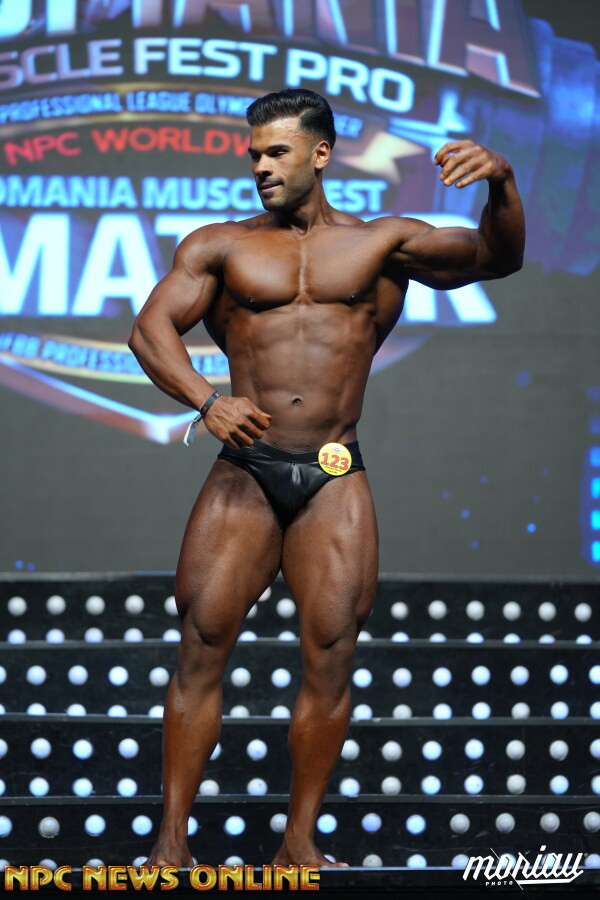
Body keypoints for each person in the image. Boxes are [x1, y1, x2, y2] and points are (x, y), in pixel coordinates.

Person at [128, 88, 525, 868]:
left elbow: (497, 257)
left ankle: (298, 843)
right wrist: (207, 401)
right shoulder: (220, 246)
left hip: (334, 474)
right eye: (253, 154)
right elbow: (149, 330)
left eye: (276, 152)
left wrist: (502, 183)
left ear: (320, 153)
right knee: (202, 644)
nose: (260, 166)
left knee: (331, 652)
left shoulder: (385, 243)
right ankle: (170, 847)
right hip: (245, 472)